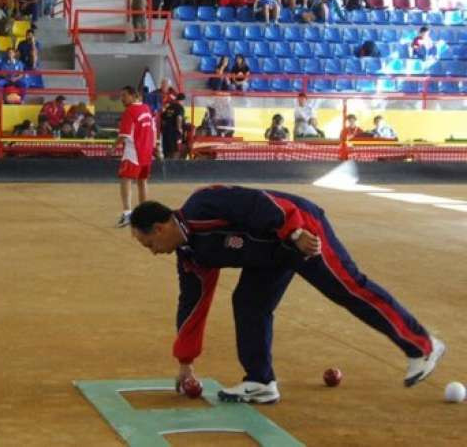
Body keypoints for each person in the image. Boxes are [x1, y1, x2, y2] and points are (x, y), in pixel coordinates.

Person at [126, 187, 444, 404]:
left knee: (348, 287)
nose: (153, 252)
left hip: (300, 232)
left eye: (149, 244)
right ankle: (261, 382)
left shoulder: (202, 204)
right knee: (249, 304)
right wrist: (185, 361)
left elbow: (259, 203)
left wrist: (295, 231)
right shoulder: (191, 256)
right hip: (268, 257)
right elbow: (193, 305)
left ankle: (422, 345)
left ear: (160, 228)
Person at [114, 86, 155, 228]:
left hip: (133, 151)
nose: (122, 99)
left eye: (124, 95)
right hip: (147, 151)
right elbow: (153, 129)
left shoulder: (129, 111)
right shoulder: (146, 108)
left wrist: (113, 147)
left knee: (125, 179)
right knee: (142, 182)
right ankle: (145, 215)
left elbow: (124, 135)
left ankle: (127, 214)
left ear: (133, 96)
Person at [160, 93, 185, 159]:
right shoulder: (180, 108)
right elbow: (179, 118)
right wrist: (179, 129)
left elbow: (163, 118)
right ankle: (173, 164)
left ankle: (166, 164)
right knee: (175, 151)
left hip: (166, 133)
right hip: (174, 133)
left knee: (167, 152)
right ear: (182, 101)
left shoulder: (169, 107)